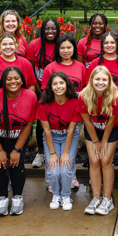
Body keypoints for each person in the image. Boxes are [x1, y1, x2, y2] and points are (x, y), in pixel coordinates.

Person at [0, 67, 37, 217]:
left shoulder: (30, 96)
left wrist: (17, 150)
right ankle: (2, 198)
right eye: (9, 79)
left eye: (17, 78)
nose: (13, 81)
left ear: (22, 80)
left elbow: (28, 125)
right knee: (0, 166)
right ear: (3, 81)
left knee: (17, 165)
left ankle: (17, 197)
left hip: (19, 136)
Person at [87, 32, 118, 187]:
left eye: (112, 43)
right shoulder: (95, 63)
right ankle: (96, 174)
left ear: (117, 45)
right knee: (97, 144)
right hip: (99, 109)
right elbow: (89, 87)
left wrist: (114, 96)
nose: (109, 45)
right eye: (106, 43)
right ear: (102, 46)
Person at [41, 35, 86, 189]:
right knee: (52, 154)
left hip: (73, 112)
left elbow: (86, 89)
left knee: (70, 150)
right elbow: (45, 92)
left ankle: (71, 177)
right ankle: (50, 181)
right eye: (62, 48)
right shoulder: (50, 68)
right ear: (57, 49)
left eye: (69, 47)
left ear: (74, 49)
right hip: (54, 113)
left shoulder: (80, 67)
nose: (66, 51)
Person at [78, 66, 118, 215]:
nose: (100, 82)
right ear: (91, 80)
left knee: (105, 161)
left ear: (109, 81)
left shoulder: (115, 96)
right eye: (97, 79)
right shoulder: (84, 95)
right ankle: (96, 198)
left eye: (104, 79)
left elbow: (111, 122)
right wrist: (96, 142)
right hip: (93, 128)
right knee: (94, 161)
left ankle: (107, 199)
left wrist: (103, 142)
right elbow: (87, 121)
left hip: (111, 128)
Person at [37, 72, 81, 211]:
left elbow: (71, 130)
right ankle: (56, 195)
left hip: (69, 136)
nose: (58, 86)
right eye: (54, 84)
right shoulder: (43, 104)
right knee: (54, 169)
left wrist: (66, 153)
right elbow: (46, 130)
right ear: (50, 86)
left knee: (66, 167)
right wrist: (53, 153)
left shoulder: (74, 102)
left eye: (61, 83)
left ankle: (66, 195)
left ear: (66, 84)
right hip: (52, 137)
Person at [26, 19, 60, 169]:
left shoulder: (60, 43)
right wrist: (40, 93)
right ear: (42, 30)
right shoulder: (34, 45)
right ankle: (40, 153)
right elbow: (30, 71)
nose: (50, 31)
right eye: (47, 28)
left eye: (53, 28)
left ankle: (56, 152)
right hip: (40, 88)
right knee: (41, 123)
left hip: (59, 89)